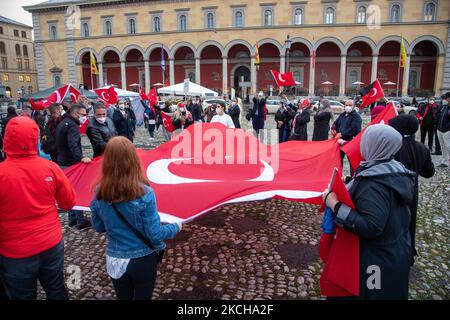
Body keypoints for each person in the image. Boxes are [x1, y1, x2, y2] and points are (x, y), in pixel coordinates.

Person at [322, 124, 415, 299]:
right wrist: (352, 182)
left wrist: (334, 205)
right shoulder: (391, 168)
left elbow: (371, 226)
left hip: (375, 261)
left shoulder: (374, 185)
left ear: (374, 145)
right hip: (392, 252)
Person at [90, 136, 181, 300]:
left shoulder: (99, 192)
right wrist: (175, 227)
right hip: (143, 259)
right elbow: (154, 233)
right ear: (133, 159)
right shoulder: (144, 192)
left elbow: (98, 227)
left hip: (114, 258)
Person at [0, 116, 76, 300]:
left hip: (15, 251)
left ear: (6, 139)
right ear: (35, 139)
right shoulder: (51, 168)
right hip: (50, 243)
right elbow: (68, 202)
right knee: (56, 289)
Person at [388, 114, 435, 265]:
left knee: (392, 222)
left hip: (391, 189)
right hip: (411, 192)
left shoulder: (392, 146)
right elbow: (429, 172)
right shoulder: (421, 148)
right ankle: (407, 253)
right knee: (409, 222)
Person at [55, 104, 92, 230]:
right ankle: (80, 221)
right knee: (76, 193)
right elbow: (73, 144)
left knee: (68, 192)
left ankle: (72, 219)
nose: (84, 117)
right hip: (71, 163)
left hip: (62, 162)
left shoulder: (63, 123)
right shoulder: (72, 126)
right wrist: (80, 157)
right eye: (83, 114)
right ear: (75, 114)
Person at [332, 100, 362, 175]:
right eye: (346, 105)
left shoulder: (356, 116)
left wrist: (342, 134)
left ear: (354, 106)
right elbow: (336, 123)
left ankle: (353, 177)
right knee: (338, 160)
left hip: (350, 142)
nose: (348, 106)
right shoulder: (342, 115)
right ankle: (338, 176)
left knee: (352, 161)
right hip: (339, 141)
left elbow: (355, 129)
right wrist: (333, 129)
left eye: (350, 105)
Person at [436, 92, 450, 167]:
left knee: (448, 146)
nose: (444, 100)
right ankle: (445, 161)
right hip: (440, 129)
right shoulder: (444, 107)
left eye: (445, 98)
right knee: (443, 146)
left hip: (447, 130)